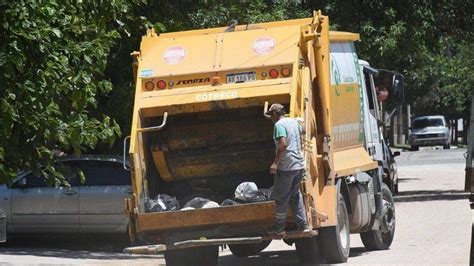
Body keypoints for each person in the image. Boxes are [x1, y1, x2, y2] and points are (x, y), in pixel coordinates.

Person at [265, 103, 310, 235]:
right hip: (299, 165)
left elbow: (283, 144)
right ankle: (304, 225)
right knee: (295, 195)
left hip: (286, 167)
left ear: (274, 114)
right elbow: (304, 130)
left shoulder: (279, 125)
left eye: (271, 115)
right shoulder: (293, 122)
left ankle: (279, 228)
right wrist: (300, 120)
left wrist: (275, 163)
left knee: (281, 198)